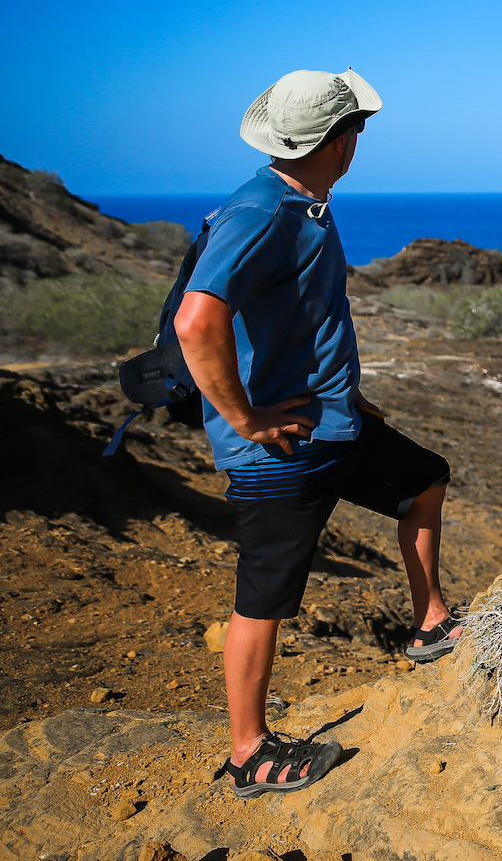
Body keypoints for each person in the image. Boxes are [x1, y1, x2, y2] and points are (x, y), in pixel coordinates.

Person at [174, 68, 462, 798]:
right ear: (338, 141)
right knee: (262, 599)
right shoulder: (259, 212)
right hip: (281, 451)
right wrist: (245, 419)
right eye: (356, 128)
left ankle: (430, 621)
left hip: (333, 424)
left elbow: (303, 316)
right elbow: (196, 321)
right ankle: (248, 753)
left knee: (424, 479)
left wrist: (348, 394)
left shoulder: (304, 205)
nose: (360, 139)